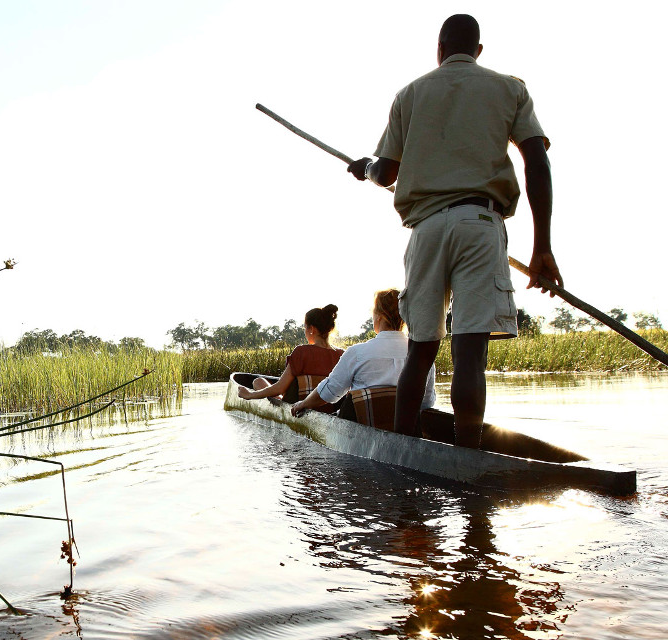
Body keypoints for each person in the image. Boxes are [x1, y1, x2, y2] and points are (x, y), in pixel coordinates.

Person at [346, 14, 563, 449]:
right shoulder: (510, 88)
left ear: (439, 50)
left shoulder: (410, 94)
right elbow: (537, 164)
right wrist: (542, 248)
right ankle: (467, 456)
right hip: (481, 223)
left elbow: (385, 171)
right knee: (469, 354)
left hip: (426, 229)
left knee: (421, 352)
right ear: (478, 50)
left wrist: (364, 168)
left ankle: (401, 451)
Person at [291, 289, 435, 416]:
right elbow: (427, 402)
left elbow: (330, 392)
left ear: (379, 317)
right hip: (406, 430)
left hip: (364, 431)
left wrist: (303, 403)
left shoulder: (357, 353)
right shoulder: (421, 355)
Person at [237, 304, 343, 401]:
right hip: (329, 406)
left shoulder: (302, 352)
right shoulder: (341, 354)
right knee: (259, 381)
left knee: (258, 382)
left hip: (298, 406)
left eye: (305, 327)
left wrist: (250, 395)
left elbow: (280, 388)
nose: (305, 331)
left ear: (311, 329)